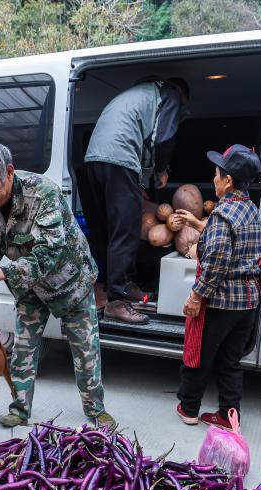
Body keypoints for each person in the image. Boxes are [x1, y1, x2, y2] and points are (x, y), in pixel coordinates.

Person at [0, 141, 115, 429]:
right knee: (24, 348)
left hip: (70, 282)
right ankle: (20, 409)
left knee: (85, 350)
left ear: (9, 172)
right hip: (29, 285)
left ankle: (96, 408)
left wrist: (2, 274)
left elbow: (50, 251)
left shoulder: (44, 193)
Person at [79, 77, 189, 325]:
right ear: (181, 94)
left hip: (91, 164)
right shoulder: (170, 94)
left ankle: (118, 285)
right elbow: (163, 138)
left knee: (104, 231)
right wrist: (161, 170)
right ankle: (117, 302)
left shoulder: (136, 95)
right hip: (119, 161)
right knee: (126, 231)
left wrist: (136, 182)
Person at [172, 144, 261, 428]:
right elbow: (233, 244)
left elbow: (217, 262)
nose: (213, 179)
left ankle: (188, 408)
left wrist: (196, 296)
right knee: (230, 361)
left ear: (228, 180)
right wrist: (200, 225)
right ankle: (228, 415)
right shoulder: (250, 210)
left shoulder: (223, 215)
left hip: (221, 302)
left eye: (216, 174)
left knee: (199, 356)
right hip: (246, 302)